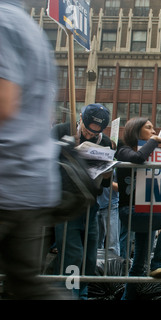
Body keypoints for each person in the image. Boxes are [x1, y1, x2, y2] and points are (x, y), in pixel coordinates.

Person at [0, 0, 67, 299]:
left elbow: (4, 102)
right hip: (31, 183)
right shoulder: (30, 27)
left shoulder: (2, 21)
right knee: (26, 286)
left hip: (7, 177)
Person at [51, 103, 113, 299]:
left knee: (89, 258)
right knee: (72, 255)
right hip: (66, 203)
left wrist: (108, 174)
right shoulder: (61, 131)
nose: (90, 134)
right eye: (87, 129)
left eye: (96, 132)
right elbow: (44, 160)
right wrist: (67, 148)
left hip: (90, 205)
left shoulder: (105, 142)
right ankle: (70, 294)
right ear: (80, 118)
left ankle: (82, 292)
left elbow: (106, 182)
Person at [115, 117, 161, 299]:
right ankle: (158, 262)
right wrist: (154, 142)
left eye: (154, 129)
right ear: (136, 130)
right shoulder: (123, 150)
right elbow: (137, 158)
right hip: (131, 212)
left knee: (138, 264)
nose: (153, 131)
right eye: (149, 128)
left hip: (147, 211)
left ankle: (127, 298)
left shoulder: (150, 153)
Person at [97, 170, 120, 256]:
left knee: (112, 244)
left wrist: (106, 180)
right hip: (97, 206)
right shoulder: (96, 165)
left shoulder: (115, 169)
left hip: (111, 206)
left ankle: (114, 268)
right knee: (96, 244)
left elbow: (120, 187)